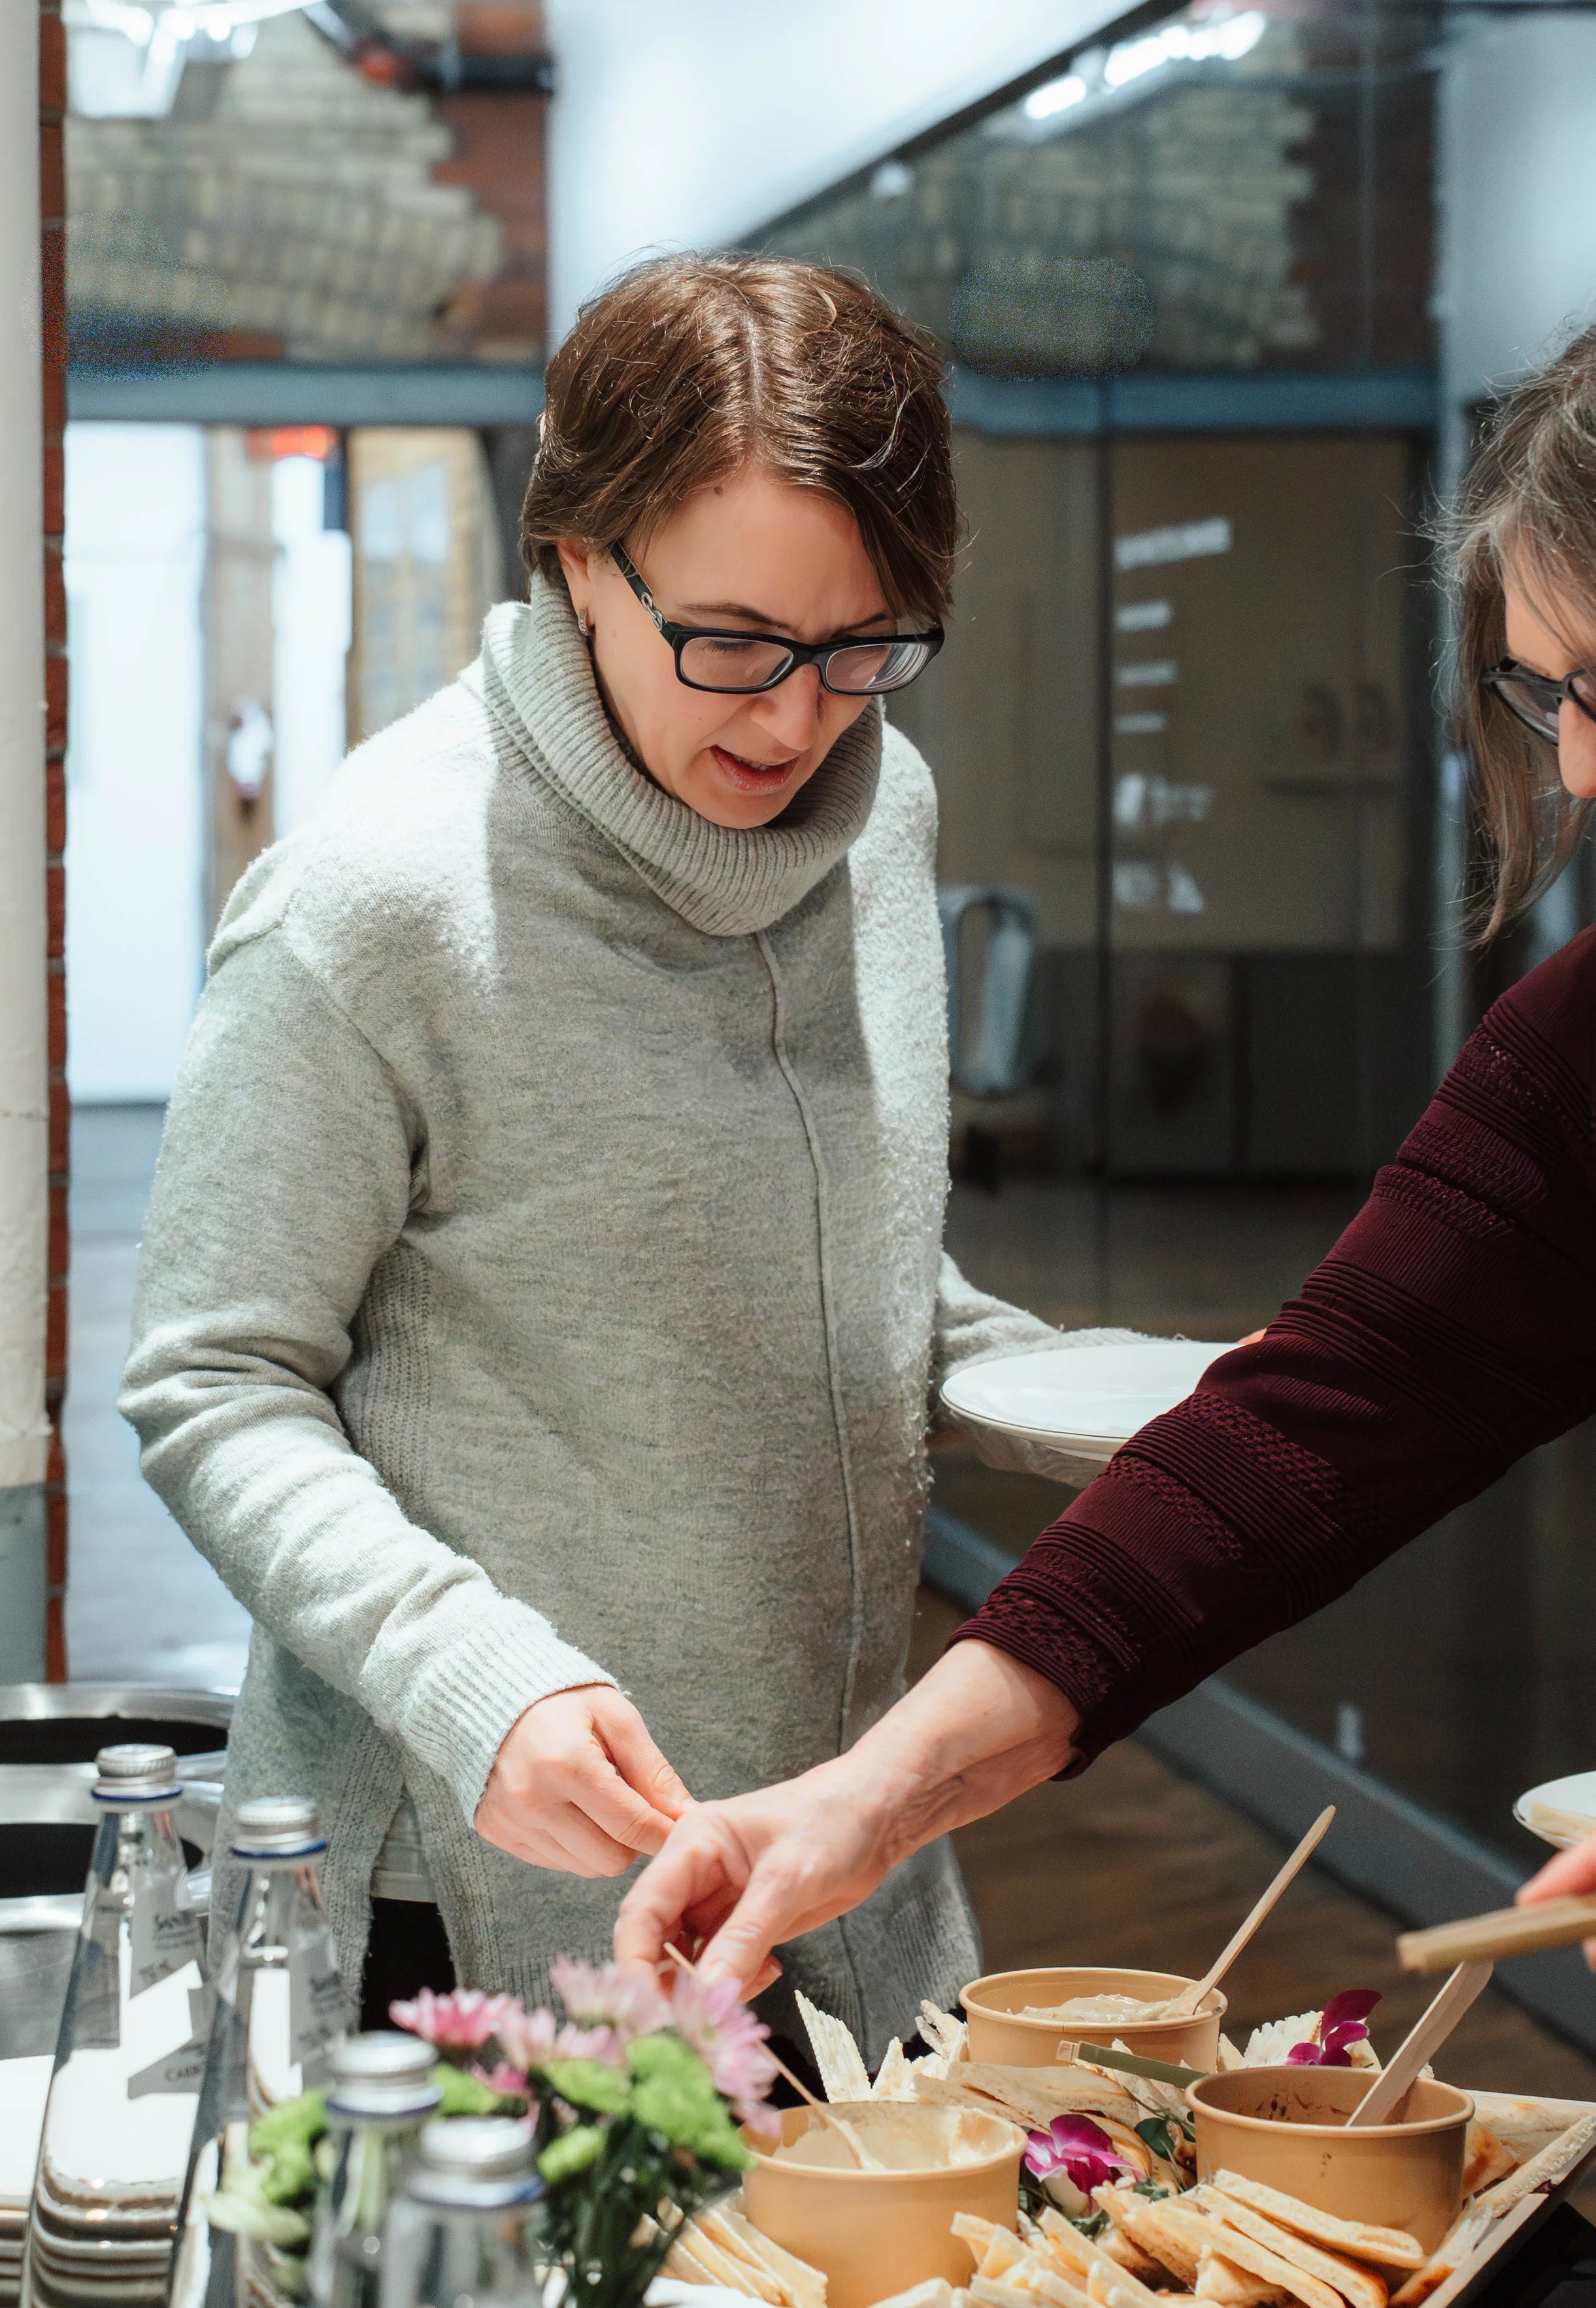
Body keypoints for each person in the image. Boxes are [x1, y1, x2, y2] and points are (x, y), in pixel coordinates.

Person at [121, 254, 1126, 2047]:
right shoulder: (376, 898)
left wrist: (1170, 1399)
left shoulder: (874, 811)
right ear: (576, 555)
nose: (790, 718)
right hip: (462, 1892)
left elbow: (842, 1268)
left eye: (863, 645)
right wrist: (471, 1677)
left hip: (827, 1845)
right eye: (732, 642)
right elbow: (216, 1380)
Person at [616, 319, 1596, 1994]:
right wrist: (865, 1797)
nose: (1571, 761)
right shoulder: (1573, 1051)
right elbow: (1303, 1428)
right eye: (1543, 689)